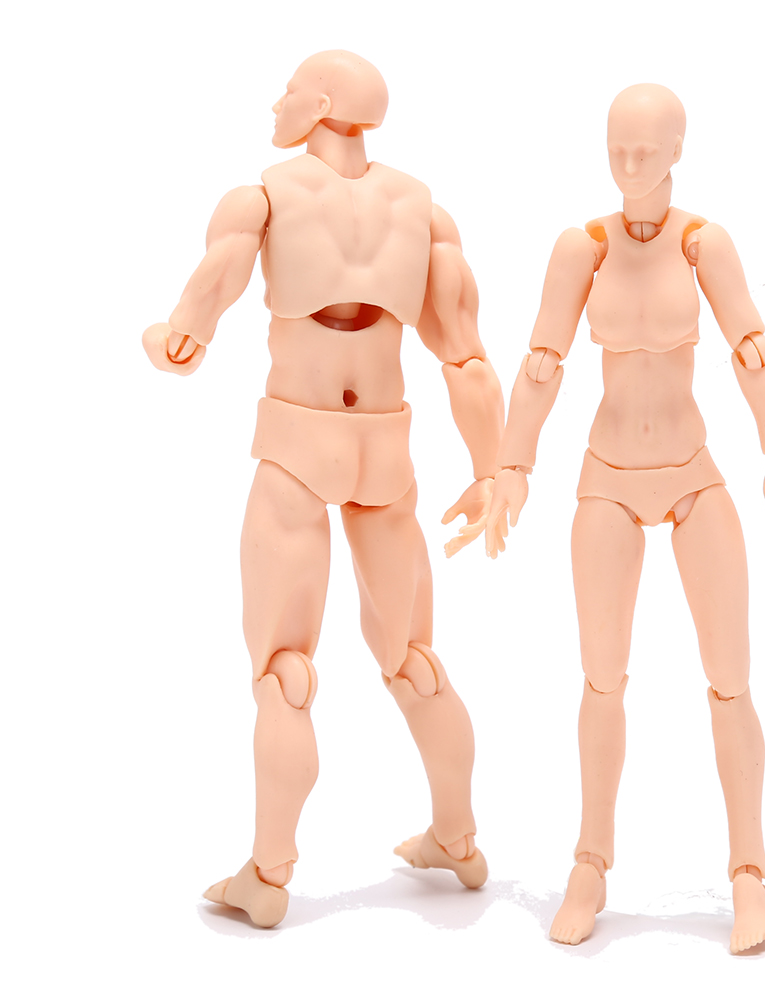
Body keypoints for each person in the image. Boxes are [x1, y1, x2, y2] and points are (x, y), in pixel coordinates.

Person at [143, 50, 504, 928]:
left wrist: (167, 339)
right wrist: (490, 469)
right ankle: (457, 839)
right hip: (385, 450)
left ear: (324, 105)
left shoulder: (262, 198)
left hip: (299, 446)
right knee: (412, 657)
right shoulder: (423, 210)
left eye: (292, 90)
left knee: (284, 672)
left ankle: (268, 876)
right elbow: (464, 357)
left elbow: (195, 324)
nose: (279, 102)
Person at [486, 83, 765, 953]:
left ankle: (749, 873)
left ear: (676, 152)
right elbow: (541, 362)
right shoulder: (580, 248)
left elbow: (753, 350)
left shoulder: (704, 244)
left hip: (695, 476)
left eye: (645, 151)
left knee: (730, 679)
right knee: (601, 680)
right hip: (608, 480)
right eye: (616, 150)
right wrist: (512, 467)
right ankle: (590, 864)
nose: (628, 166)